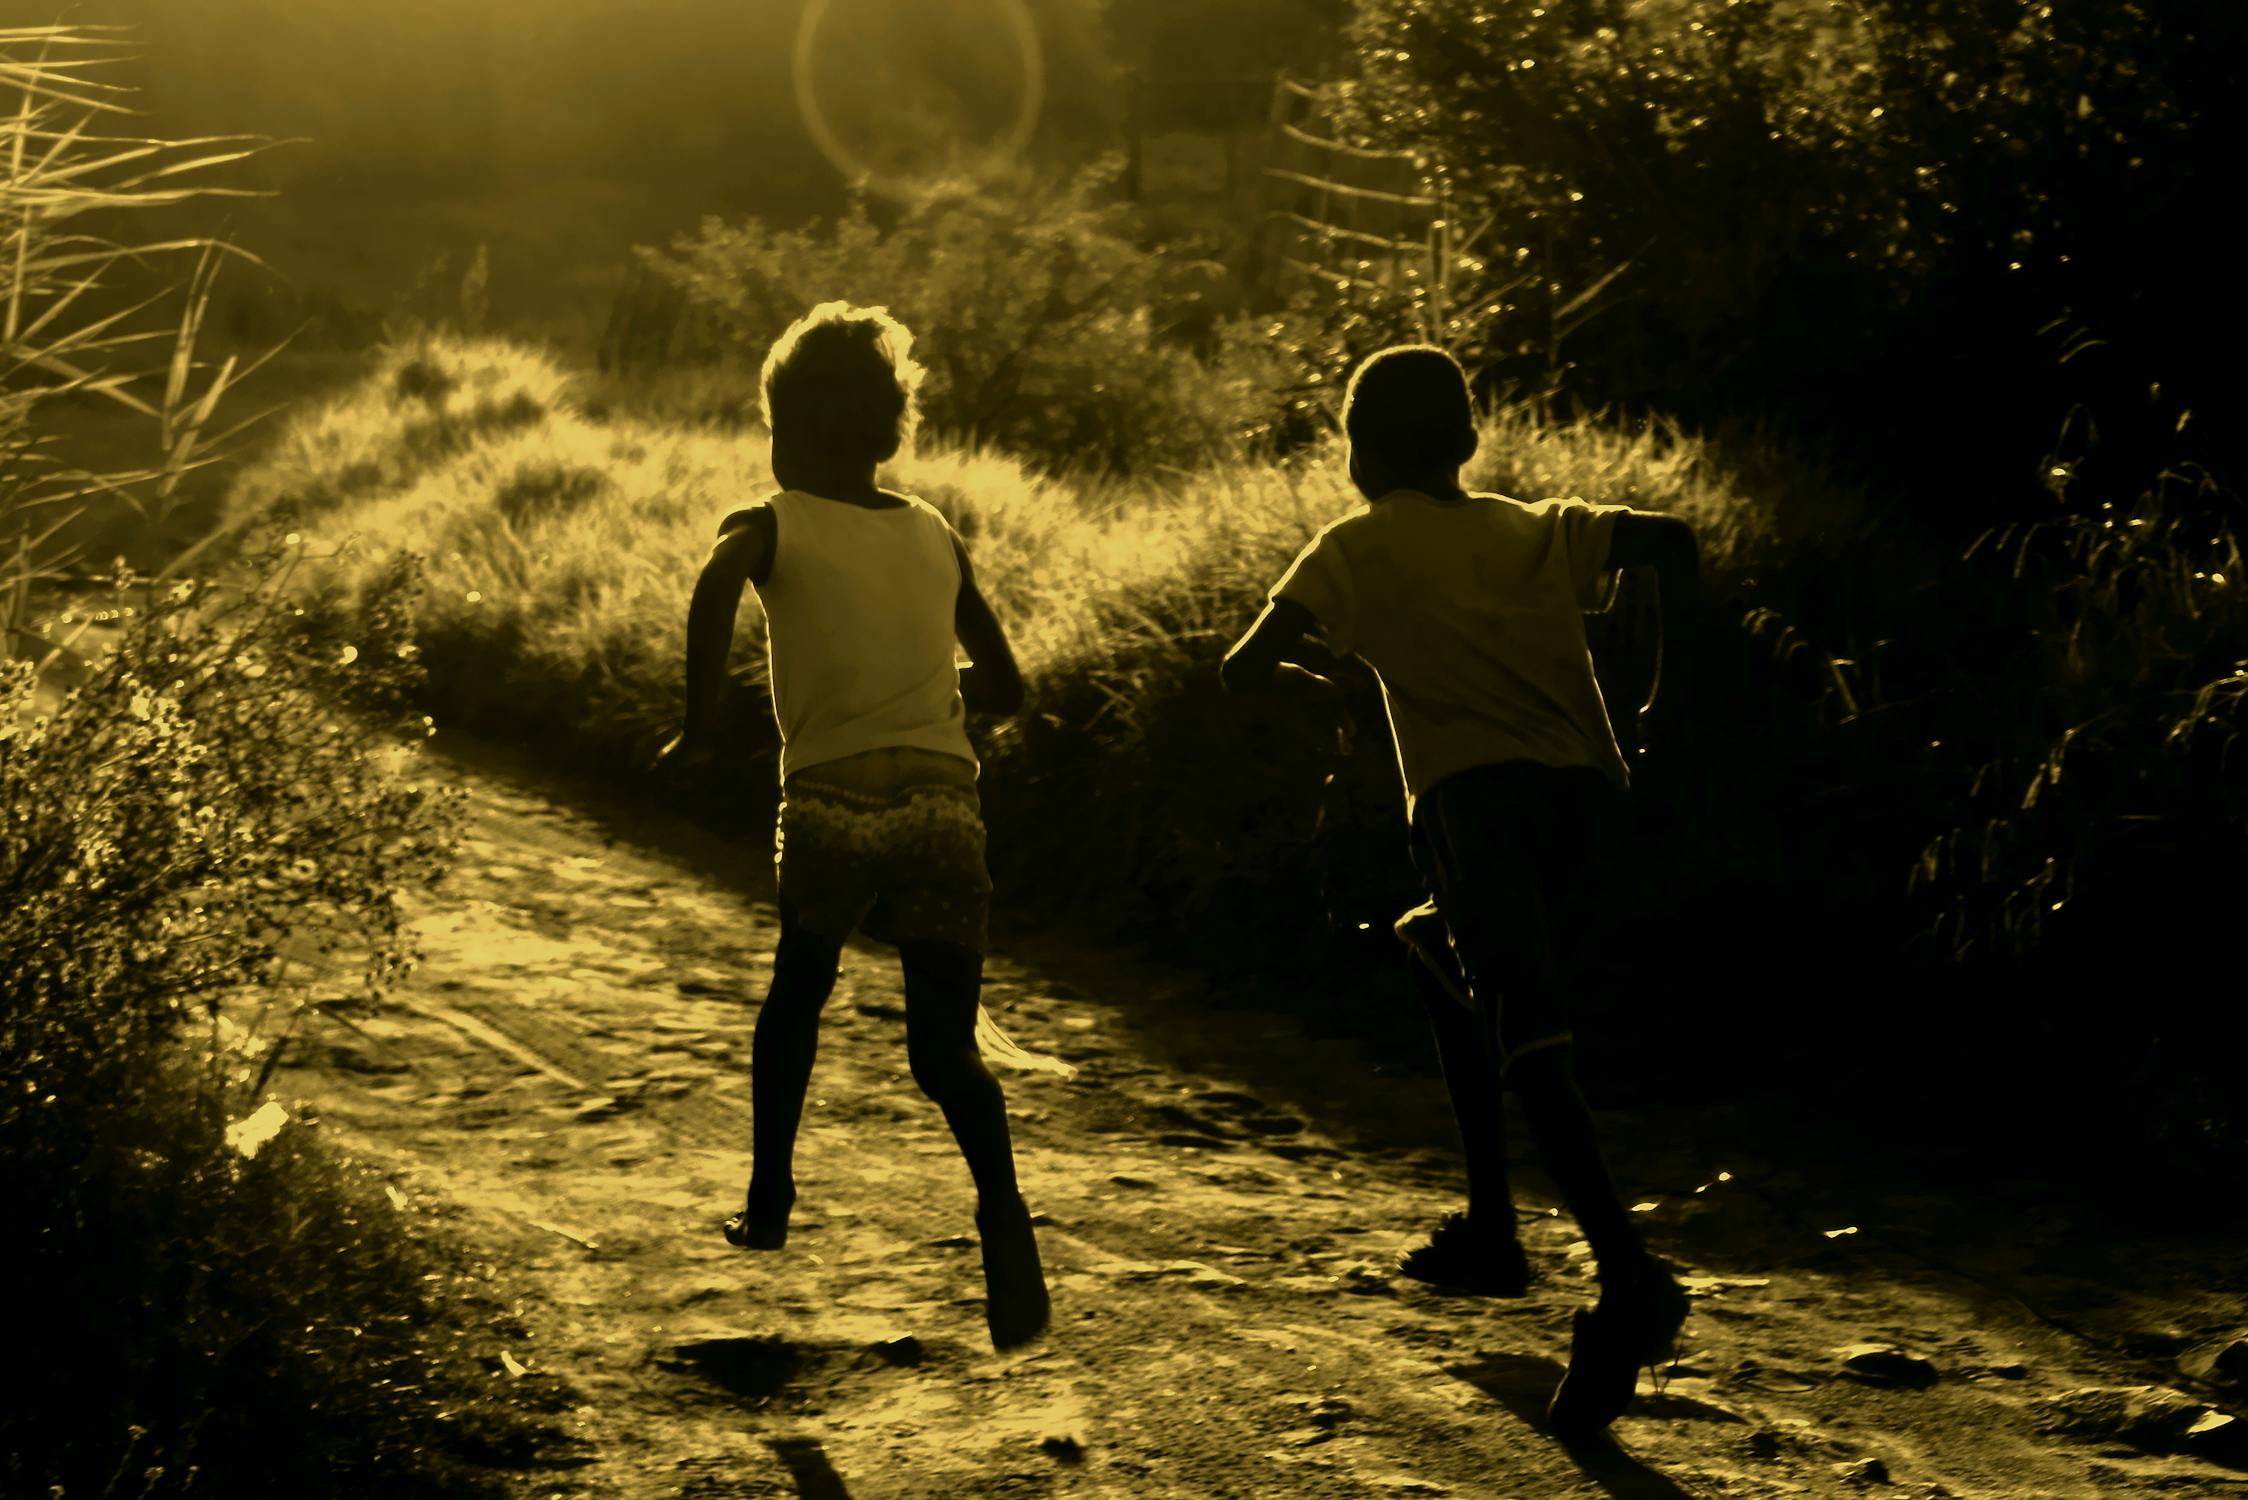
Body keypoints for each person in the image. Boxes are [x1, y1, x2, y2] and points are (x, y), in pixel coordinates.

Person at [1220, 344, 1700, 1440]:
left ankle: (1626, 1277)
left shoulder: (1353, 546)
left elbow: (1243, 668)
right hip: (1584, 803)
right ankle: (1490, 1228)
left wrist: (1332, 698)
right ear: (1469, 443)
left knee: (1528, 1037)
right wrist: (1673, 704)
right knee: (1431, 948)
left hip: (1471, 811)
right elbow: (1672, 545)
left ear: (1357, 455)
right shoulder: (1533, 526)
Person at [654, 300, 1048, 1352]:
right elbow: (1002, 687)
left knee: (799, 991)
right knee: (944, 1052)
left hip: (832, 793)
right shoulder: (933, 531)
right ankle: (1003, 1217)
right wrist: (917, 679)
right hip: (940, 799)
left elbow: (712, 583)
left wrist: (697, 727)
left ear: (783, 426)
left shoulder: (769, 520)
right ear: (888, 431)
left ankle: (771, 1194)